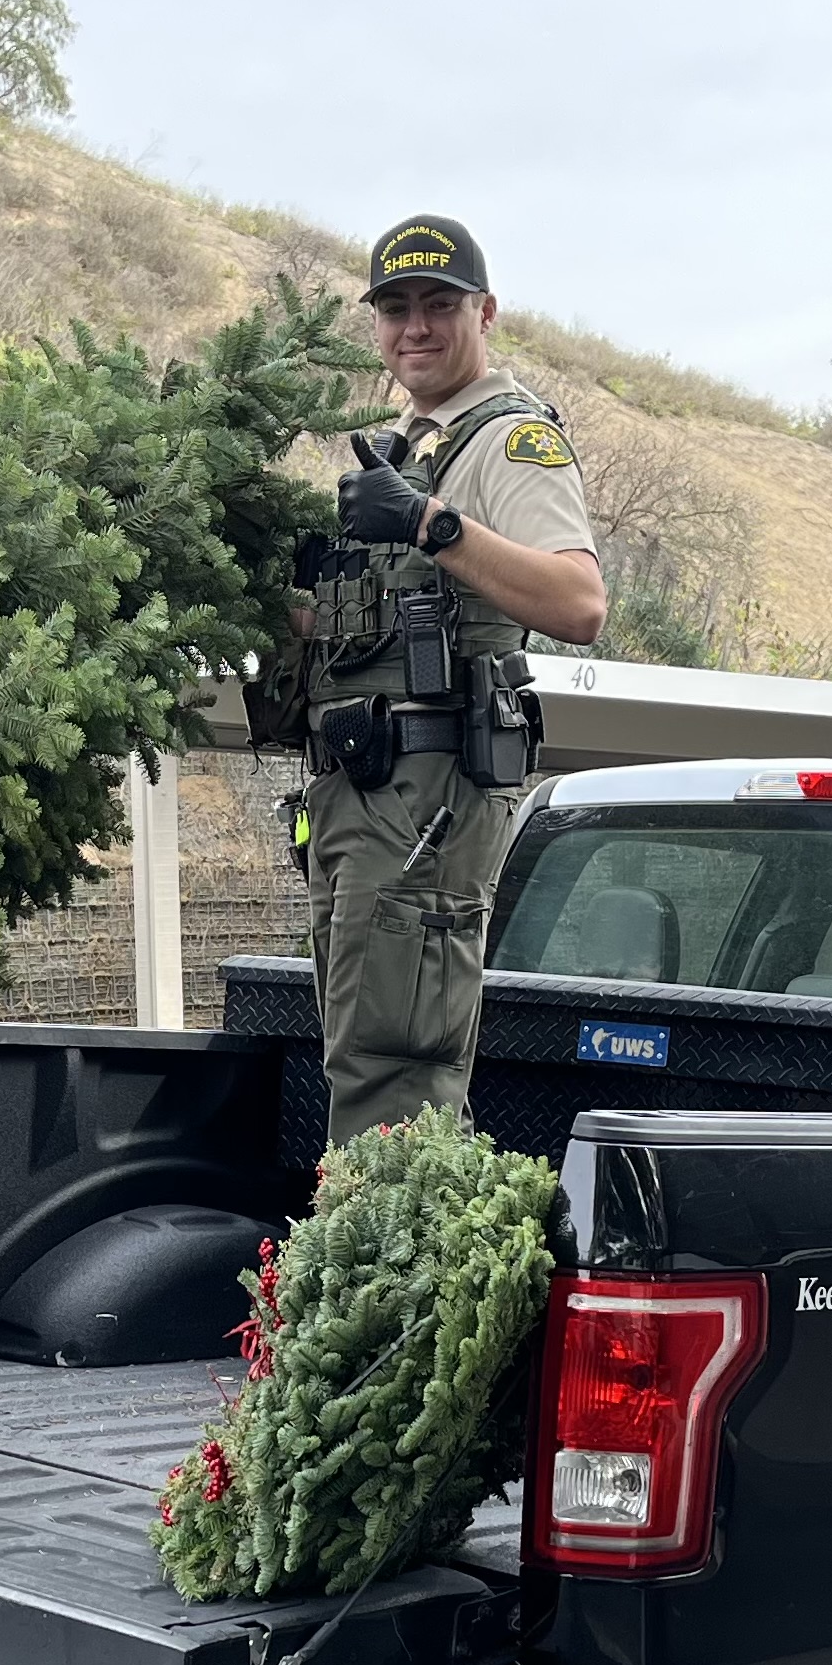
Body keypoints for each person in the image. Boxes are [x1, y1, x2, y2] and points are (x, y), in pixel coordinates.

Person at [299, 213, 606, 1143]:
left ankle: (394, 1281)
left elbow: (579, 601)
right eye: (395, 309)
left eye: (440, 305)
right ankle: (383, 1271)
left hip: (426, 804)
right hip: (364, 798)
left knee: (394, 1077)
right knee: (366, 1060)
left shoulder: (508, 441)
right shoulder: (409, 445)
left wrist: (432, 523)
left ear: (487, 312)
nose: (416, 328)